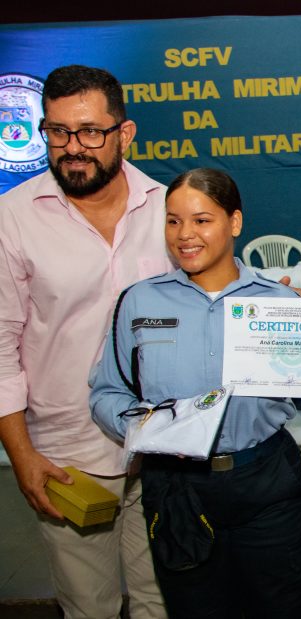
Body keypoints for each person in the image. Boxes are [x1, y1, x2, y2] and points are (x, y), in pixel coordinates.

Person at [89, 167, 301, 618]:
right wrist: (151, 430)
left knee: (285, 606)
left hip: (264, 483)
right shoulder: (138, 303)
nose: (185, 235)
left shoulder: (281, 305)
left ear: (235, 223)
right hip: (176, 489)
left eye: (202, 220)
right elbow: (107, 393)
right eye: (173, 220)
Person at [0, 65, 168, 619]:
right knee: (88, 609)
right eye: (58, 132)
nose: (73, 148)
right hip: (66, 457)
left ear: (124, 133)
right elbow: (0, 348)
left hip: (163, 447)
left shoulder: (167, 209)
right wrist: (21, 454)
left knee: (163, 602)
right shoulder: (13, 219)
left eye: (90, 132)